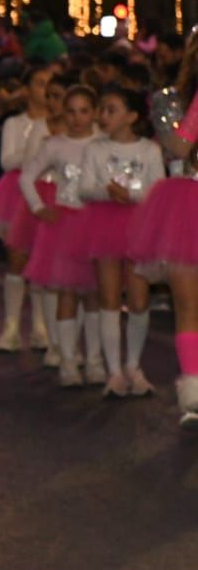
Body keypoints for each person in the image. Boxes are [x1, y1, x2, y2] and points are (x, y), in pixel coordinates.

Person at [131, 28, 198, 424]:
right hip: (186, 203)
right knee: (188, 306)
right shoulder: (170, 102)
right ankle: (193, 391)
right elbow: (178, 149)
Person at [79, 85, 164, 397]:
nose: (103, 116)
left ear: (132, 116)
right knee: (110, 298)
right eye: (101, 109)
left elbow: (158, 190)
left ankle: (134, 365)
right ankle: (114, 371)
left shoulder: (149, 150)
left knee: (140, 301)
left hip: (141, 225)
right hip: (105, 223)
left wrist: (130, 195)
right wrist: (107, 192)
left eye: (111, 110)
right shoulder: (95, 149)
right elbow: (84, 188)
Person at [21, 84, 103, 387]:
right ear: (63, 113)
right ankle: (68, 361)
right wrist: (39, 207)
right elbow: (27, 177)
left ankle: (94, 360)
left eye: (84, 111)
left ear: (94, 113)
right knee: (67, 292)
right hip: (67, 224)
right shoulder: (54, 145)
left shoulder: (102, 143)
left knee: (95, 295)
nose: (78, 118)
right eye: (71, 111)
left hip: (97, 224)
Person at [0, 64, 55, 354]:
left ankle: (40, 326)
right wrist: (34, 151)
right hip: (18, 193)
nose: (44, 91)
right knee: (17, 259)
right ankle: (11, 326)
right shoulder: (15, 123)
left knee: (42, 260)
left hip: (50, 191)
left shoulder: (59, 125)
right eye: (39, 83)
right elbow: (7, 161)